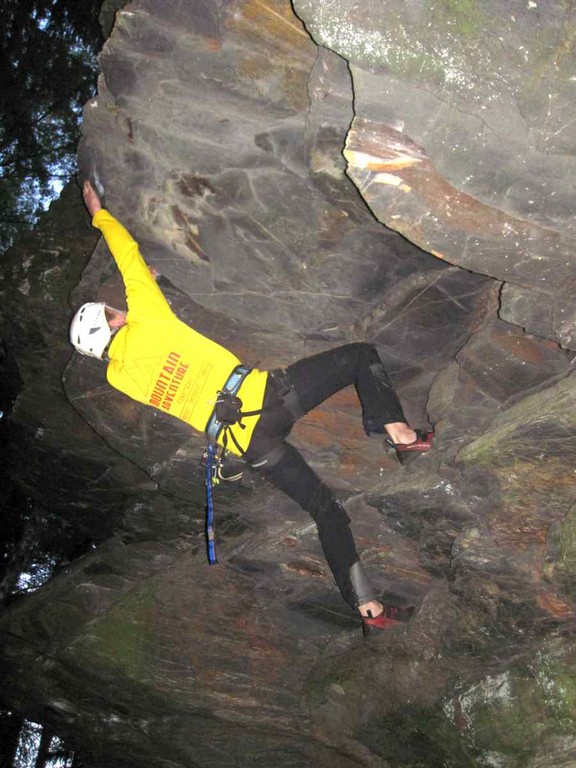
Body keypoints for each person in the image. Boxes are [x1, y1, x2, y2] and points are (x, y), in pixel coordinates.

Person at [70, 180, 433, 635]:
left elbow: (142, 353)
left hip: (246, 444)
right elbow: (126, 255)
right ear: (113, 319)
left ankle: (369, 610)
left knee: (326, 511)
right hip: (265, 399)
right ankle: (402, 437)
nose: (118, 307)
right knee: (360, 356)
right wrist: (98, 212)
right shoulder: (147, 317)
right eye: (112, 309)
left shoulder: (118, 376)